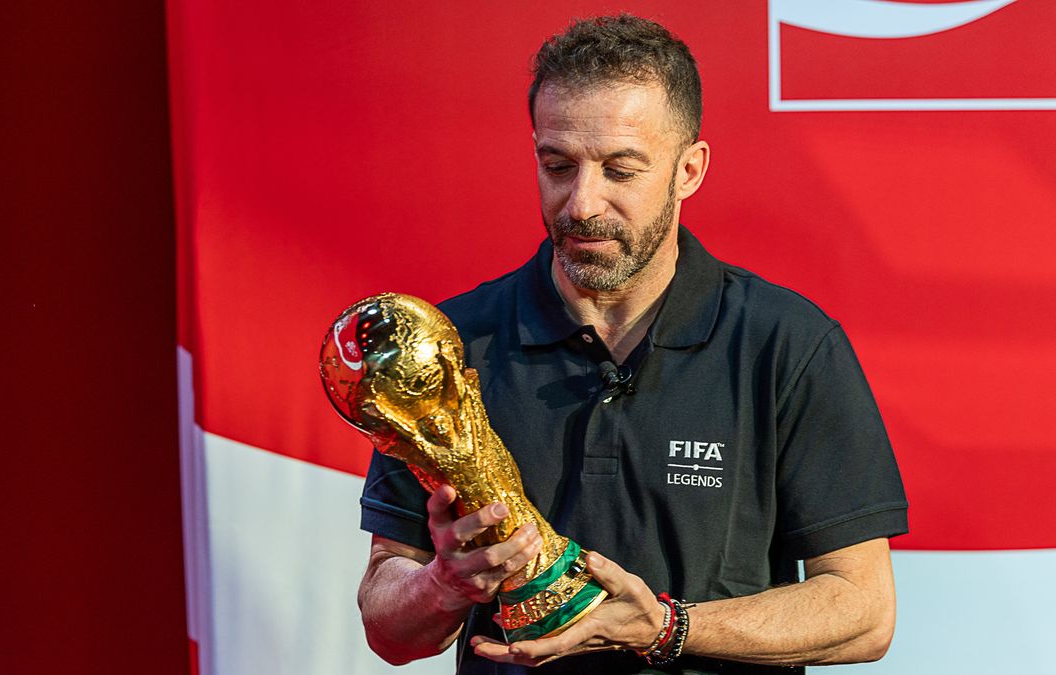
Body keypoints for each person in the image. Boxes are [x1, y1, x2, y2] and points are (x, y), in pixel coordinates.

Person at [356, 14, 908, 674]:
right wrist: (443, 584)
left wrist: (666, 626)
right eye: (557, 165)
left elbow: (862, 610)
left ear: (689, 170)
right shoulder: (452, 348)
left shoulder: (786, 344)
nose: (582, 203)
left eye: (620, 169)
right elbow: (390, 630)